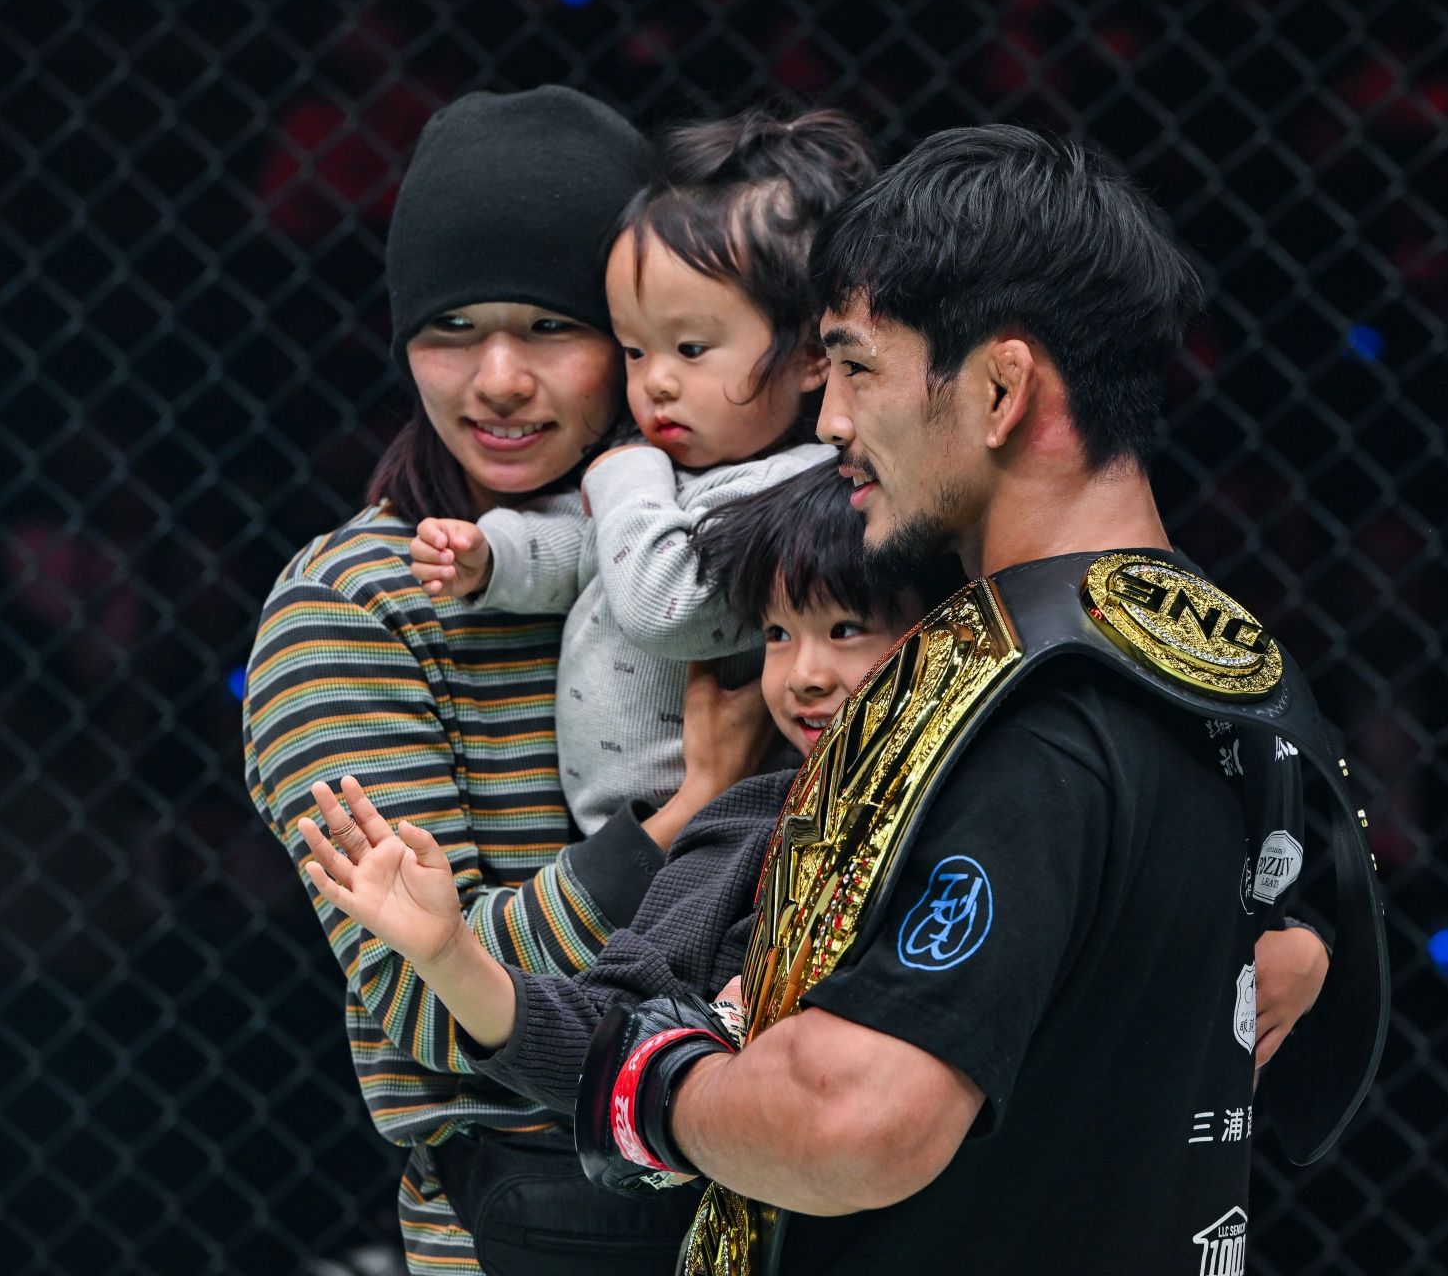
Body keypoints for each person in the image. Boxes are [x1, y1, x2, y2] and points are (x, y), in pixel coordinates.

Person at [572, 126, 1390, 1273]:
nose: (830, 422)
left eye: (859, 365)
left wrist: (651, 1084)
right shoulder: (1247, 677)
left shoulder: (1036, 712)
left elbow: (859, 1117)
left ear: (1001, 386)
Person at [241, 86, 758, 1275]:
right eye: (453, 328)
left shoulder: (748, 540)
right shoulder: (356, 604)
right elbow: (426, 1004)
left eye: (549, 324)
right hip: (543, 1231)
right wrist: (675, 823)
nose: (500, 380)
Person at [297, 465, 955, 1120]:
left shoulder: (993, 783)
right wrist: (451, 955)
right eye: (777, 635)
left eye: (845, 630)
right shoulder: (746, 823)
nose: (804, 675)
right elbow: (611, 1038)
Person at [407, 108, 878, 834]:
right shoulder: (669, 476)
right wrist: (491, 554)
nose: (655, 382)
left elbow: (667, 604)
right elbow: (585, 546)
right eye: (634, 350)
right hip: (641, 831)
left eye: (690, 350)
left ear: (814, 353)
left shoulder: (800, 494)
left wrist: (625, 477)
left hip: (730, 829)